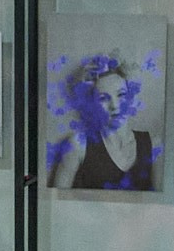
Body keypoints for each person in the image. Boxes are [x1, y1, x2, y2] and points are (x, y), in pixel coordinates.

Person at [49, 54, 157, 192]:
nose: (115, 106)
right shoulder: (77, 145)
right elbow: (56, 201)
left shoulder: (153, 143)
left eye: (121, 95)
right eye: (103, 98)